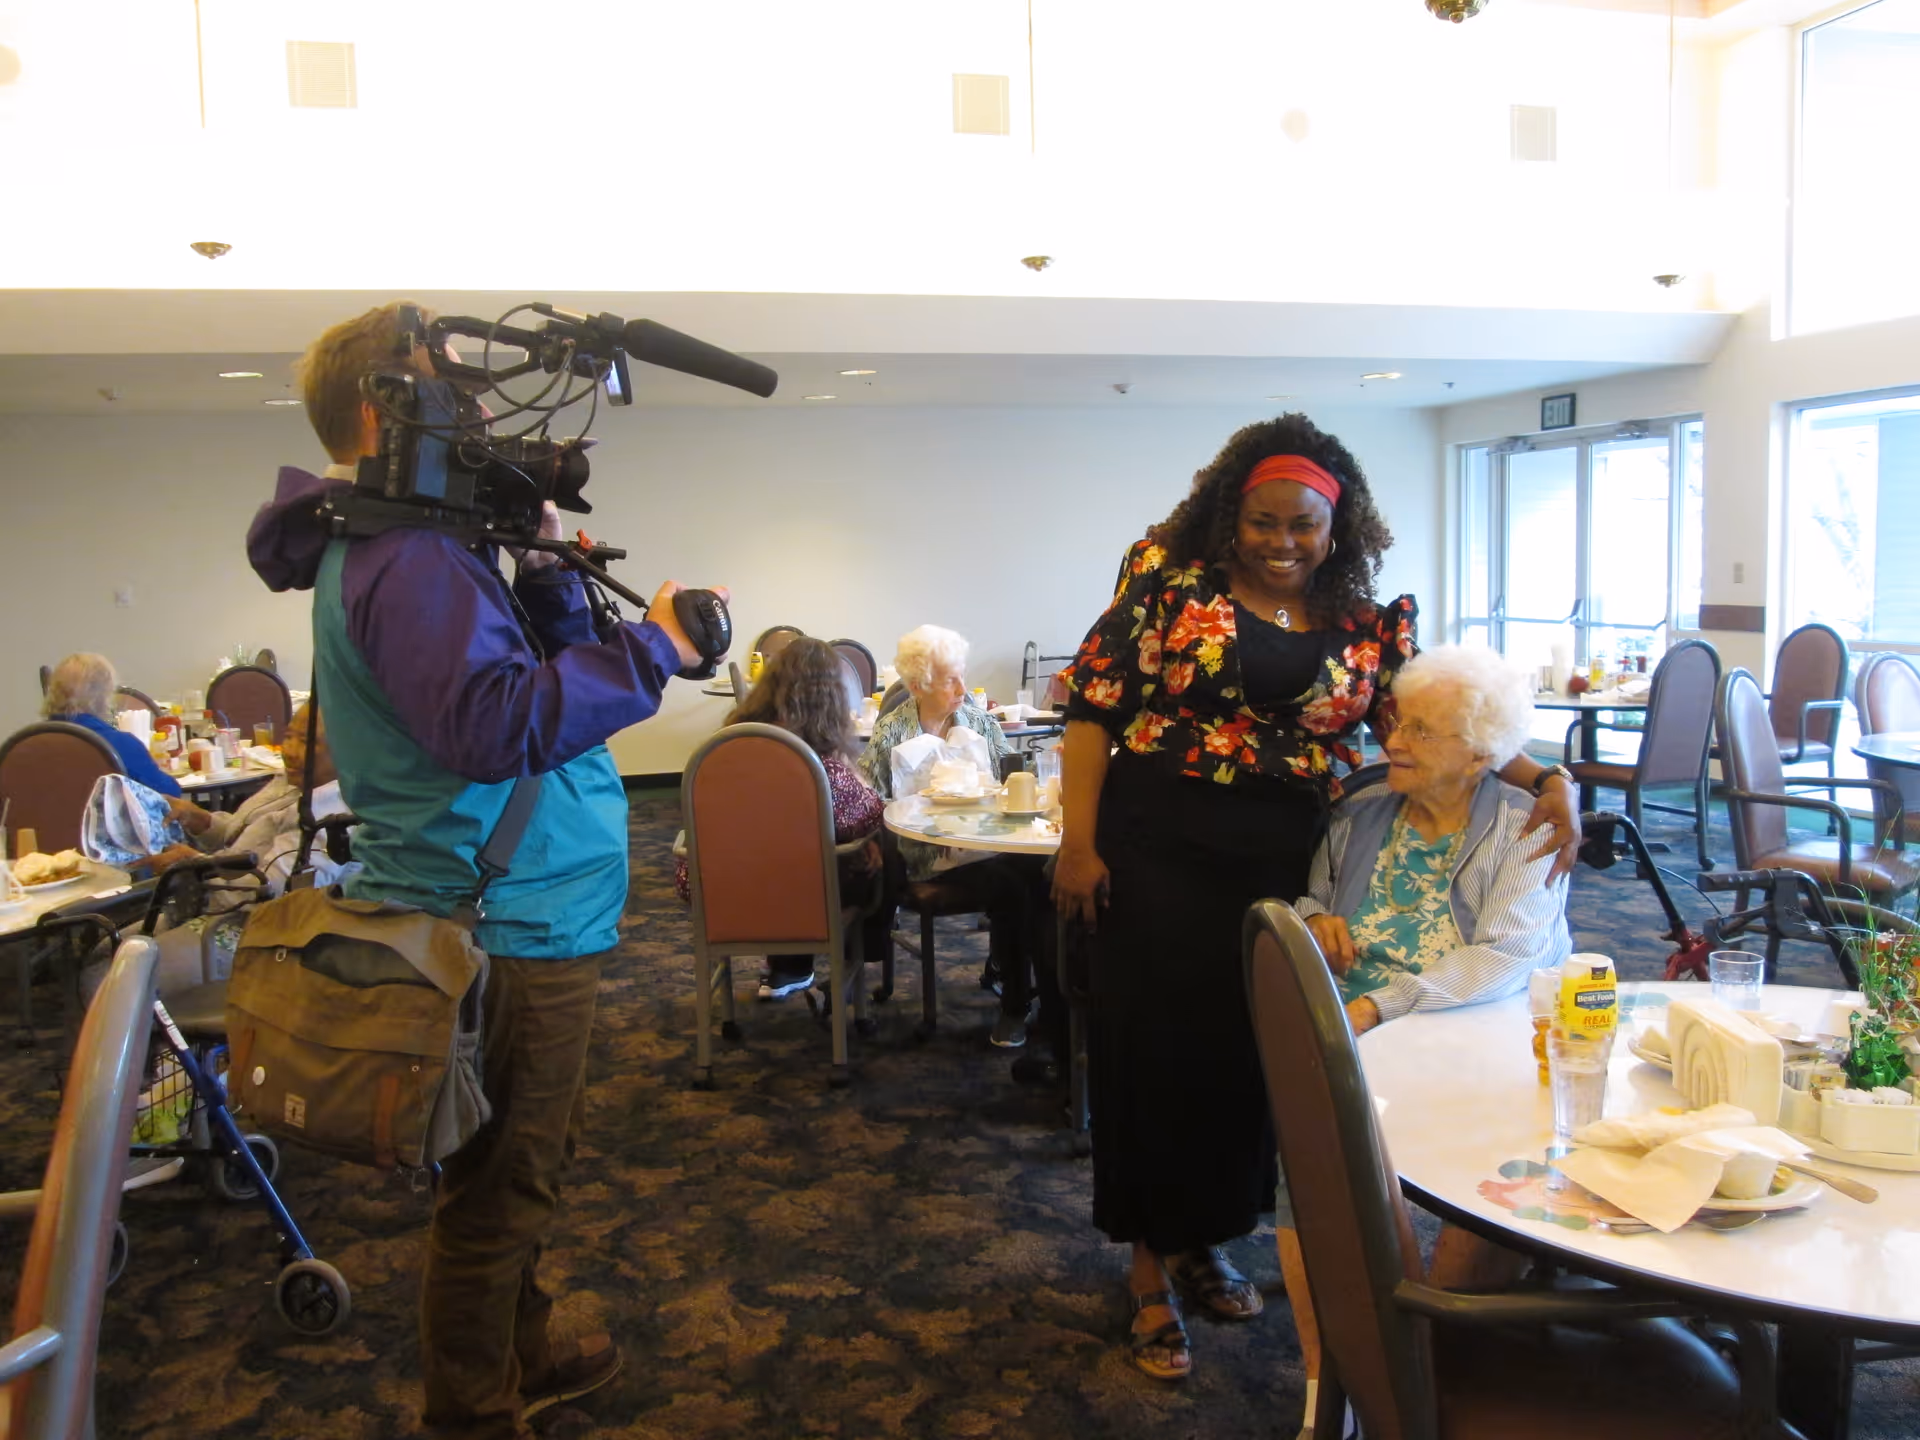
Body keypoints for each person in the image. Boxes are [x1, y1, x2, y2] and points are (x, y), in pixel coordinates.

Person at [247, 300, 724, 1440]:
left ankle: (526, 1351)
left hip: (519, 907)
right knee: (500, 1190)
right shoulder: (408, 555)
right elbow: (494, 726)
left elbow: (519, 681)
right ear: (382, 409)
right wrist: (654, 645)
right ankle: (474, 1410)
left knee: (521, 1173)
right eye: (450, 389)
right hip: (500, 922)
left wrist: (546, 569)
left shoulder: (422, 544)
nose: (478, 411)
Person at [1050, 413, 1579, 1383]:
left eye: (1304, 524)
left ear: (1338, 526)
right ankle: (1144, 1272)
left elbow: (1429, 722)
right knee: (1157, 1053)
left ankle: (1207, 1239)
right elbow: (1092, 709)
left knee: (1256, 1062)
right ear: (1231, 516)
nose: (1283, 541)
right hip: (1158, 850)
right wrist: (1077, 844)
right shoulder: (1169, 590)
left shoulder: (1363, 620)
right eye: (1264, 521)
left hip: (1291, 860)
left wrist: (1545, 777)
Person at [1281, 644, 1571, 1420]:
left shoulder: (1527, 829)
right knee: (1314, 1160)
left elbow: (1508, 955)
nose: (1394, 743)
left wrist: (1383, 1006)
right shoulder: (1360, 814)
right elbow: (1309, 898)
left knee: (1498, 1158)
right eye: (1397, 723)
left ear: (1482, 753)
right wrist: (1322, 921)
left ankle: (1424, 1360)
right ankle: (1328, 1386)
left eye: (1424, 732)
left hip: (1476, 1030)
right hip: (1354, 1026)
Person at [858, 625, 1051, 1051]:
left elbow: (1016, 776)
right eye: (950, 680)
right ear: (917, 685)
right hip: (926, 858)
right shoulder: (892, 731)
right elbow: (870, 798)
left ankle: (1044, 994)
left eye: (962, 675)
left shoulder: (979, 721)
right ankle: (1017, 1006)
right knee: (1014, 886)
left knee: (1041, 871)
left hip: (989, 846)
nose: (964, 688)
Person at [675, 638, 886, 996]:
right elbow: (868, 816)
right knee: (873, 853)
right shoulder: (821, 770)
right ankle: (851, 964)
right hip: (797, 897)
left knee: (789, 849)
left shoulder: (722, 752)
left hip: (716, 891)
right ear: (831, 699)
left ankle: (789, 967)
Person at [43, 652, 187, 801]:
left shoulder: (31, 745)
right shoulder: (117, 744)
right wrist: (154, 768)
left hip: (43, 823)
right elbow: (170, 792)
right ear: (102, 695)